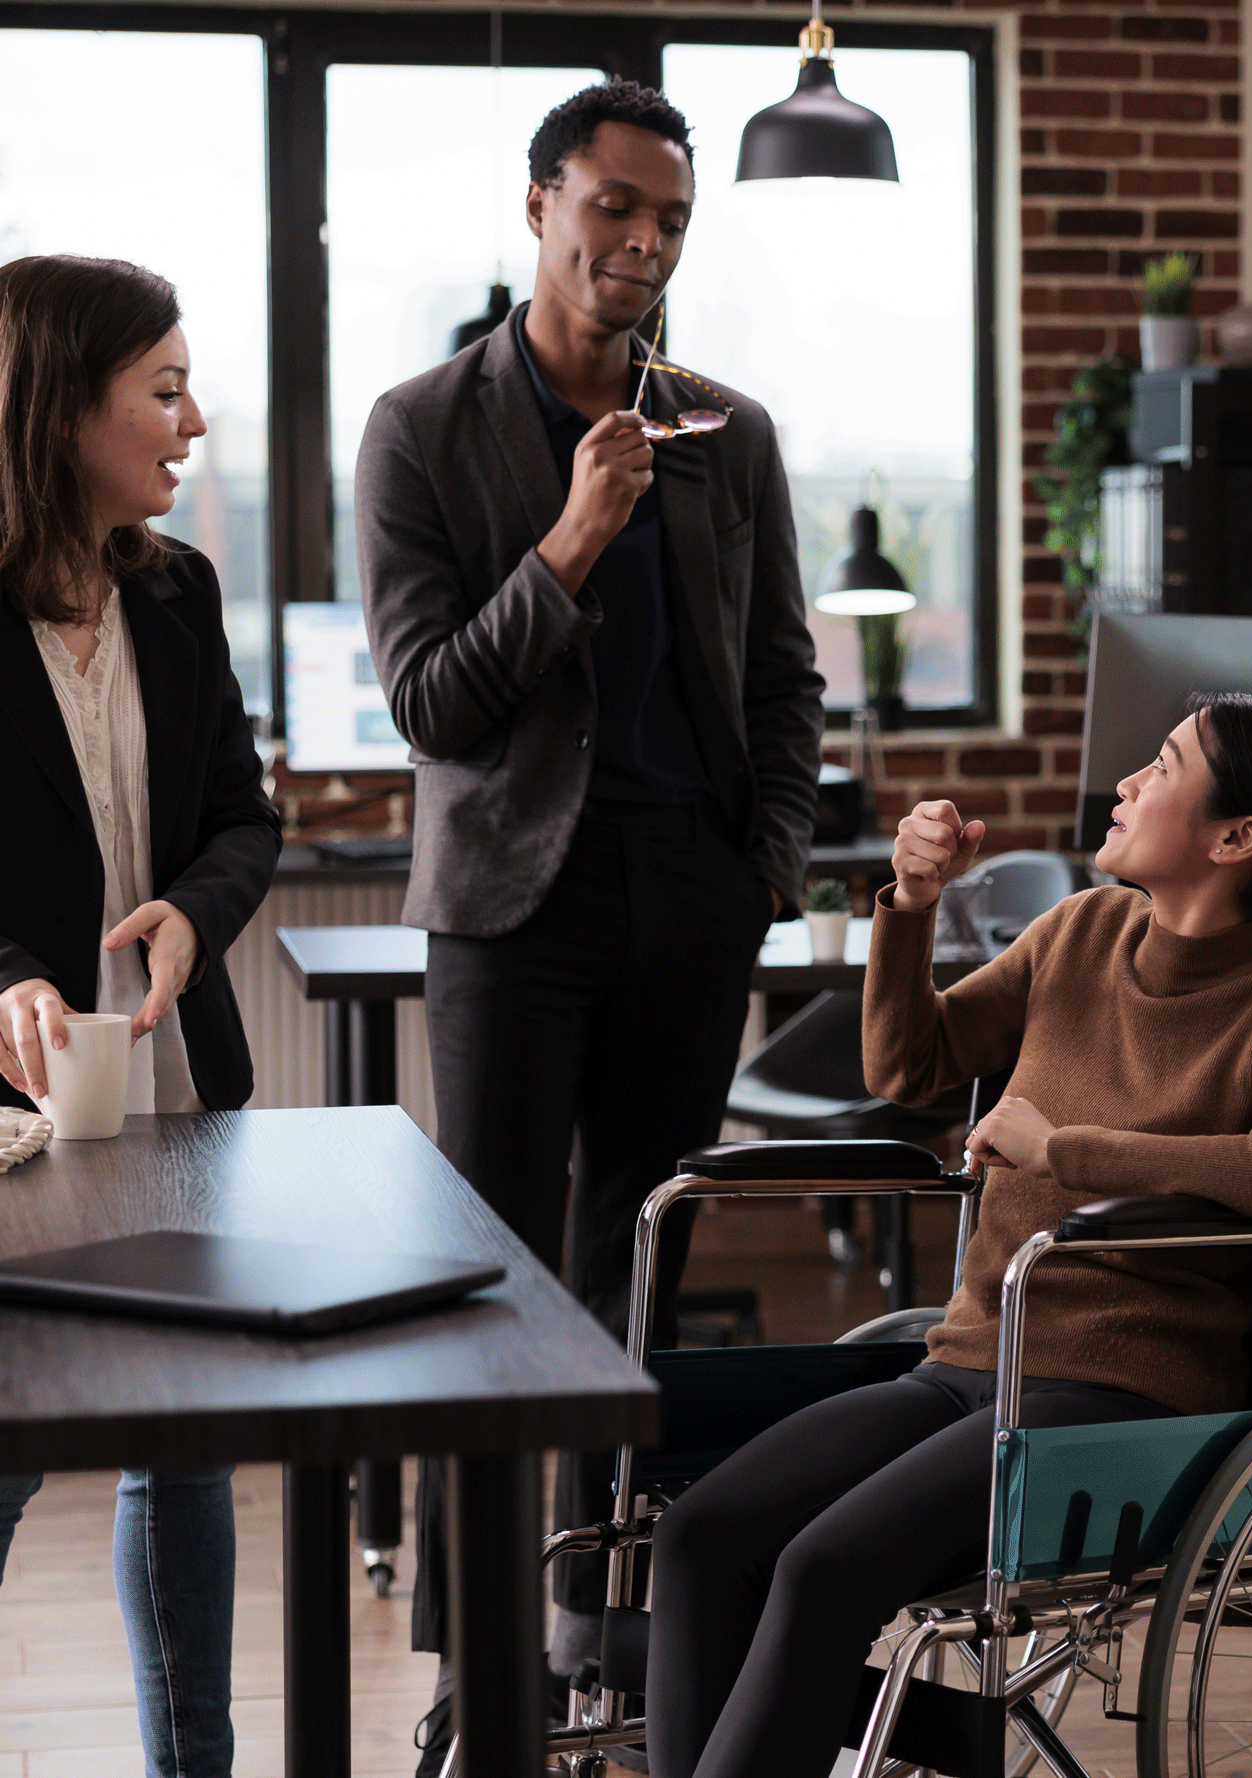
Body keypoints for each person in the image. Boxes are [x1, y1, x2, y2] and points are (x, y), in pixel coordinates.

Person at [355, 75, 824, 1770]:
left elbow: (782, 678)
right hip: (506, 909)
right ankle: (481, 1651)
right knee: (491, 1280)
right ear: (542, 204)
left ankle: (594, 1631)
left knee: (636, 1271)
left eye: (671, 219)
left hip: (689, 893)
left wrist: (763, 860)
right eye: (614, 207)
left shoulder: (730, 429)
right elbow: (430, 706)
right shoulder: (423, 427)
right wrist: (567, 540)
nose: (641, 242)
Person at [645, 692, 1252, 1778]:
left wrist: (1071, 1149)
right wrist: (910, 903)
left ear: (1238, 837)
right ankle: (935, 1733)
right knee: (699, 1538)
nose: (1124, 784)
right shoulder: (1079, 932)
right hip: (969, 1361)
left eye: (1159, 766)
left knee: (821, 1570)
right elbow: (908, 1067)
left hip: (1118, 1399)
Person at [0, 254, 283, 1778]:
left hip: (174, 1088)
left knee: (184, 1452)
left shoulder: (181, 593)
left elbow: (245, 818)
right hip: (7, 1121)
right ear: (61, 410)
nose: (191, 418)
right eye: (161, 390)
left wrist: (194, 906)